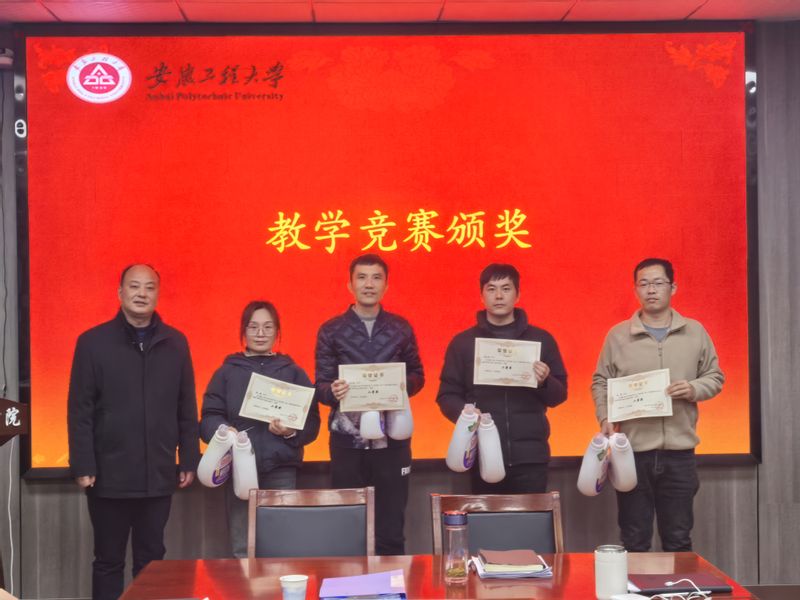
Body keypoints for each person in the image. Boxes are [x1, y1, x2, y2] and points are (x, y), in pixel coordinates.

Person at [67, 264, 199, 600]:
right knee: (108, 561)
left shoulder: (176, 343)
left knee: (152, 562)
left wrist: (189, 458)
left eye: (149, 287)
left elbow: (186, 406)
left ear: (158, 294)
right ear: (120, 293)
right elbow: (80, 410)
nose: (142, 293)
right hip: (108, 476)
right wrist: (83, 464)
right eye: (134, 286)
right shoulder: (92, 342)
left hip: (157, 473)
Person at [591, 258, 724, 552]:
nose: (651, 290)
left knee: (678, 538)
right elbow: (601, 381)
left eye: (658, 283)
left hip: (679, 454)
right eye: (644, 284)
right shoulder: (618, 335)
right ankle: (635, 585)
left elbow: (715, 377)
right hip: (632, 453)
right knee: (634, 539)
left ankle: (679, 584)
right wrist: (605, 416)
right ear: (636, 289)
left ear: (672, 287)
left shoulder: (695, 331)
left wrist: (693, 388)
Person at [314, 253, 424, 555]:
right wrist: (332, 391)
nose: (369, 284)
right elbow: (320, 385)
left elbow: (418, 375)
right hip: (347, 441)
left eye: (376, 278)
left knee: (391, 530)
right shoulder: (331, 330)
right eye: (362, 277)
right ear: (350, 285)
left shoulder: (401, 328)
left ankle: (393, 582)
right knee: (348, 528)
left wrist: (402, 385)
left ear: (386, 285)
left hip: (393, 440)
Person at [200, 300, 320, 558]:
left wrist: (290, 432)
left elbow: (312, 424)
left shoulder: (294, 373)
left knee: (282, 547)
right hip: (239, 469)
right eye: (253, 327)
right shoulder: (226, 372)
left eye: (268, 327)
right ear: (243, 331)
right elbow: (209, 416)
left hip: (281, 469)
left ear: (278, 331)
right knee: (242, 548)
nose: (261, 333)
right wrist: (224, 431)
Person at [436, 263, 568, 493]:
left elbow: (559, 396)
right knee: (486, 517)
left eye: (506, 289)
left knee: (532, 516)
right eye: (491, 289)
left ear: (518, 294)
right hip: (480, 454)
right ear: (481, 295)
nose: (498, 296)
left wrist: (545, 381)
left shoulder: (541, 339)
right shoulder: (463, 343)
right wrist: (466, 415)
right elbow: (447, 395)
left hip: (530, 457)